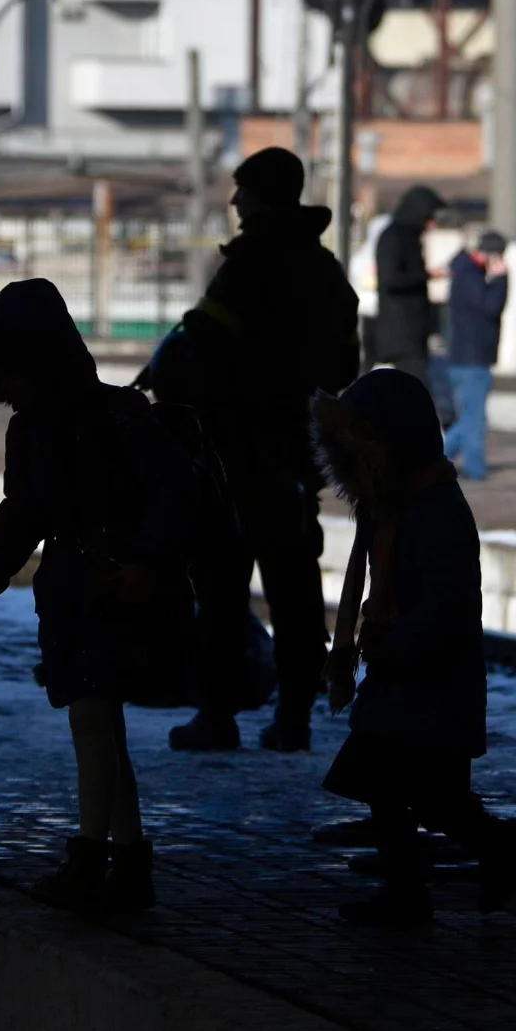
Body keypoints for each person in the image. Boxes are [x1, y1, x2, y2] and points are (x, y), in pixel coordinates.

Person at [0, 279, 198, 914]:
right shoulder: (32, 429)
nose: (14, 385)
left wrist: (143, 562)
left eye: (20, 370)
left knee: (93, 722)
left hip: (114, 591)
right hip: (68, 593)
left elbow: (173, 494)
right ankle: (130, 862)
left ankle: (92, 858)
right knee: (101, 730)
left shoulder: (118, 416)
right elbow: (23, 512)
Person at [161, 147, 359, 754]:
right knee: (296, 593)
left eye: (242, 189)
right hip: (296, 460)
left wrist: (174, 387)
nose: (234, 201)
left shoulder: (246, 268)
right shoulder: (325, 270)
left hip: (233, 454)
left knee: (221, 591)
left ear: (265, 195)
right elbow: (343, 364)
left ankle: (216, 716)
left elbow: (200, 348)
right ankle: (293, 717)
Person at [316, 368, 516, 926]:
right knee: (393, 786)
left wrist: (399, 646)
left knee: (432, 797)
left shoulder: (432, 511)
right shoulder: (399, 506)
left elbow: (447, 603)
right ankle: (410, 887)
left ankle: (488, 851)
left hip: (431, 681)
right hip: (405, 680)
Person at [440, 228, 509, 483]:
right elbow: (491, 307)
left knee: (469, 417)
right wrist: (501, 280)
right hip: (472, 358)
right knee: (474, 419)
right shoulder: (470, 276)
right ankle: (474, 468)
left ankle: (437, 459)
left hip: (466, 357)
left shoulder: (466, 273)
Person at [368, 185, 443, 394]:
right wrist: (425, 276)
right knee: (416, 396)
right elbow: (390, 280)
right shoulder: (393, 237)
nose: (432, 224)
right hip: (401, 336)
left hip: (412, 335)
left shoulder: (409, 237)